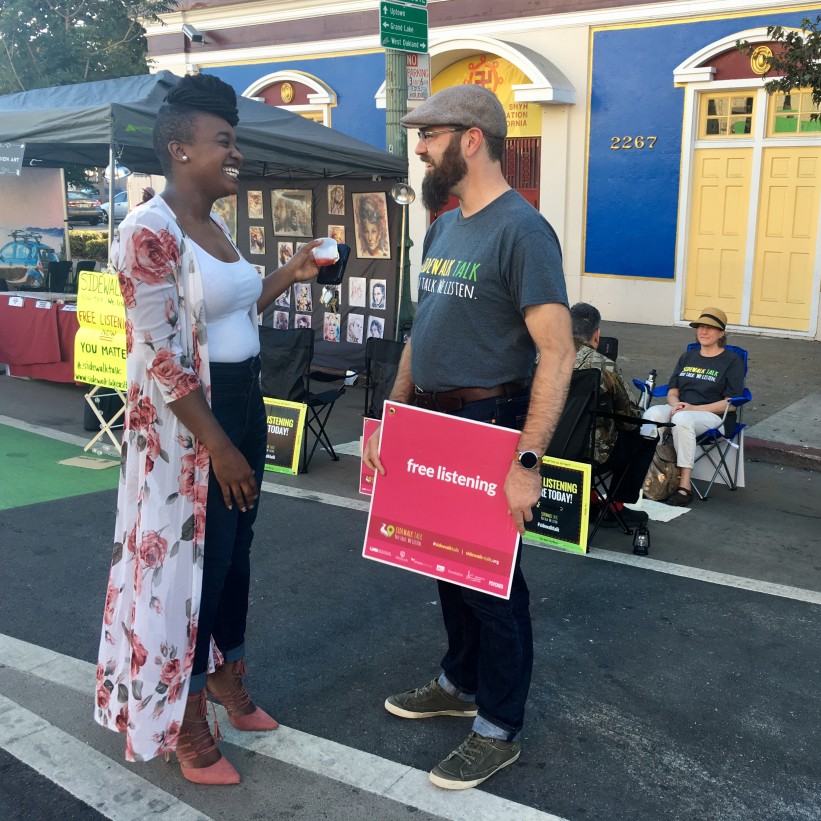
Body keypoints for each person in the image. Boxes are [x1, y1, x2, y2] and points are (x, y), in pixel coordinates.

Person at [94, 73, 322, 785]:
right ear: (178, 149)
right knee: (197, 565)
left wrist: (291, 270)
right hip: (192, 423)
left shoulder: (215, 227)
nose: (235, 154)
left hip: (242, 401)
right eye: (222, 142)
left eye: (234, 141)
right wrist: (218, 444)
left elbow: (230, 315)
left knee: (237, 552)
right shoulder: (146, 233)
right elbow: (163, 355)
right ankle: (186, 719)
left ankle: (228, 674)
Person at [362, 84, 574, 791]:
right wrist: (392, 414)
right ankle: (459, 681)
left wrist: (528, 460)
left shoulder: (522, 230)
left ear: (472, 138)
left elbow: (558, 351)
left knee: (493, 583)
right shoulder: (445, 225)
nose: (419, 146)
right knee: (442, 563)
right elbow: (424, 332)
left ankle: (499, 725)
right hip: (430, 420)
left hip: (490, 423)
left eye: (428, 134)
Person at [640, 307, 744, 507]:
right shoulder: (687, 357)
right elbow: (672, 392)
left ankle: (684, 486)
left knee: (682, 419)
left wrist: (694, 409)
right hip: (684, 409)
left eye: (710, 328)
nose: (703, 332)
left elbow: (730, 404)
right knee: (652, 414)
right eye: (700, 327)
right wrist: (675, 404)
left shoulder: (732, 361)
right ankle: (649, 475)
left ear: (721, 333)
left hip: (715, 416)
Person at [569, 302, 648, 528]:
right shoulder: (604, 365)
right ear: (597, 335)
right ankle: (616, 506)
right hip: (589, 453)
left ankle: (591, 499)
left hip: (547, 446)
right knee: (639, 438)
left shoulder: (543, 357)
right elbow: (630, 413)